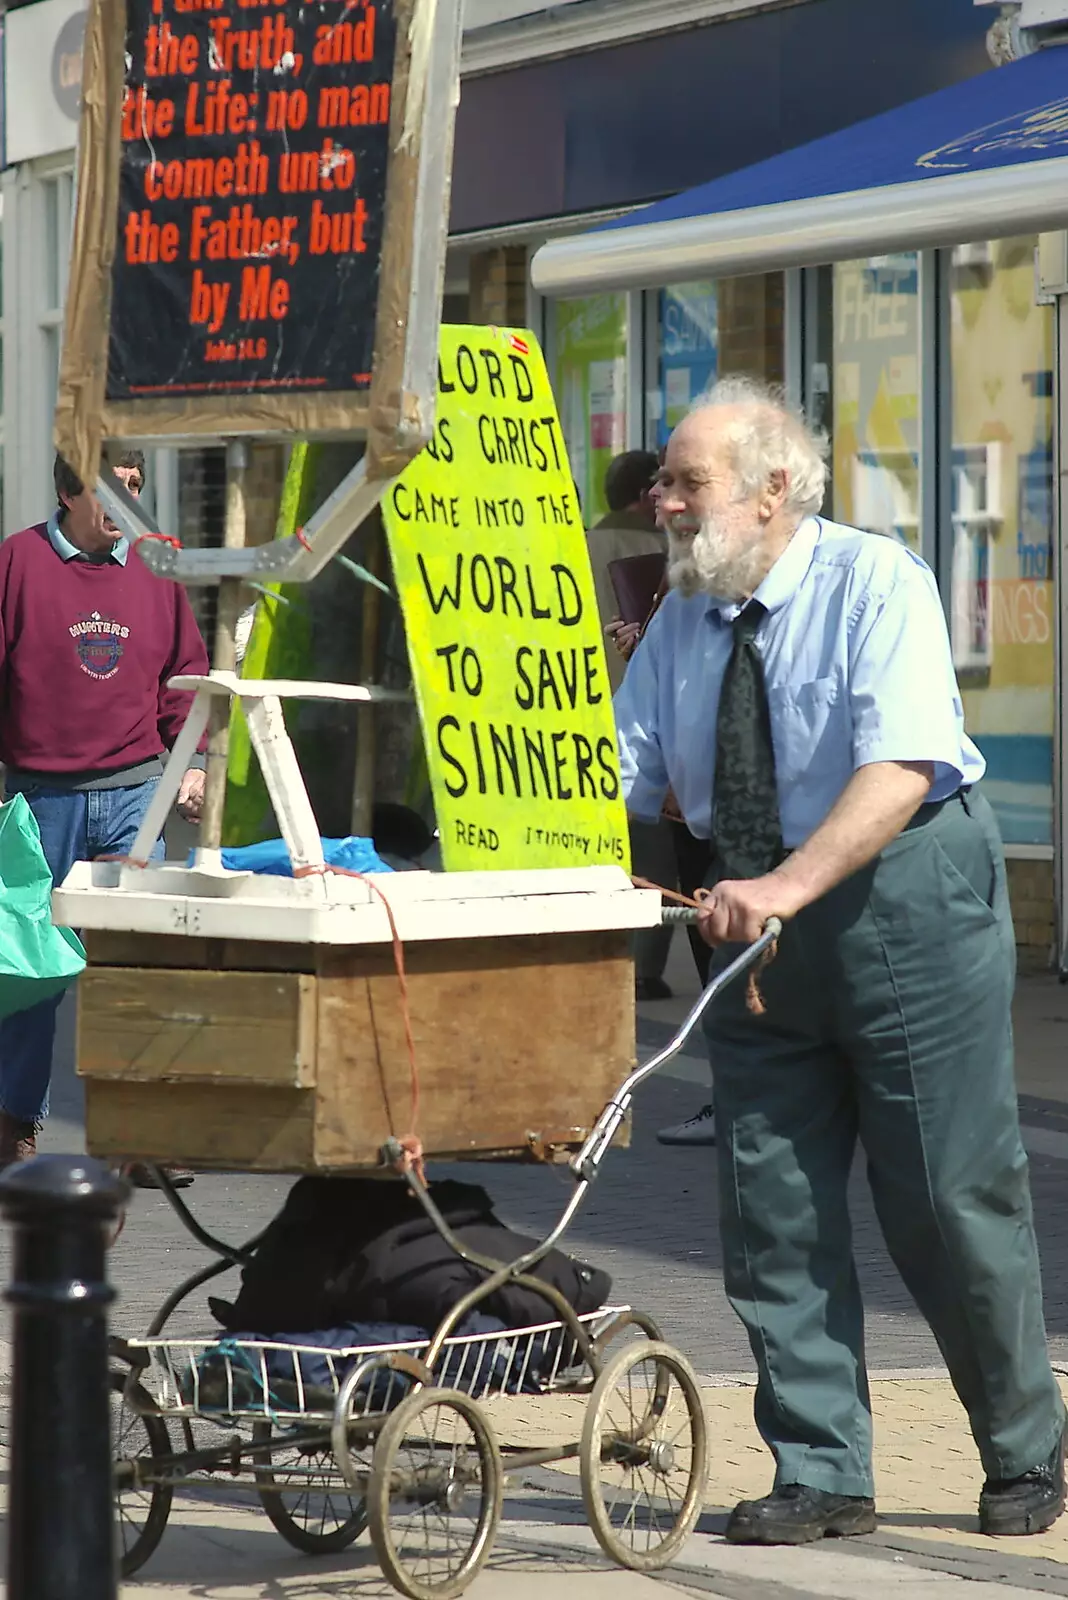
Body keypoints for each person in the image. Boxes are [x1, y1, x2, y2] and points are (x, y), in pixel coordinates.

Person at [614, 375, 1065, 1544]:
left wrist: (781, 887)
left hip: (900, 895)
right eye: (665, 480)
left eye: (685, 481)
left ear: (773, 490)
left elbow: (900, 767)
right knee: (772, 1201)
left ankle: (1026, 1445)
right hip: (751, 920)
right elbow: (621, 773)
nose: (661, 501)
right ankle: (822, 1468)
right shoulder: (678, 622)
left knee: (946, 1193)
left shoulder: (879, 584)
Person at [0, 451, 209, 1181]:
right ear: (67, 490)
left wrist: (192, 767)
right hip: (39, 800)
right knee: (30, 974)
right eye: (112, 487)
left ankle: (136, 1138)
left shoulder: (157, 568)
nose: (127, 501)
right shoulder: (16, 564)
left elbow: (185, 674)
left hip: (133, 796)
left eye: (135, 487)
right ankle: (14, 1129)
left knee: (136, 969)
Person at [587, 450, 676, 1002]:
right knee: (653, 844)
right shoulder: (661, 550)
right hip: (644, 710)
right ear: (645, 496)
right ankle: (644, 965)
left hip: (581, 703)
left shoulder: (574, 543)